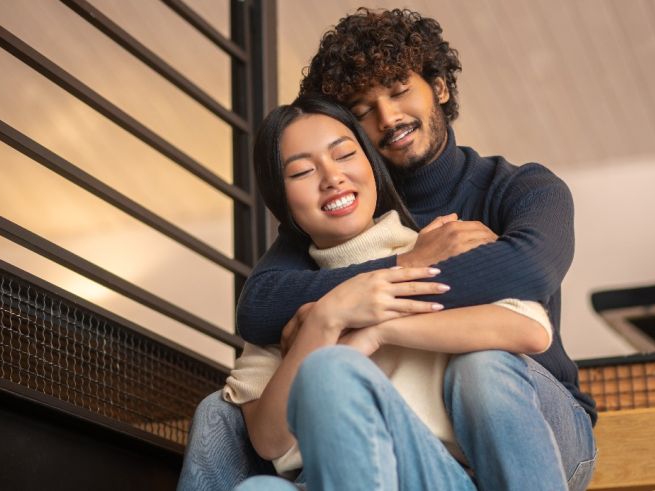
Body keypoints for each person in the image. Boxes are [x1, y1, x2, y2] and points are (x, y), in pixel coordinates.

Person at [178, 7, 596, 491]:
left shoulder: (520, 189)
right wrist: (393, 273)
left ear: (438, 87)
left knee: (479, 366)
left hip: (538, 422)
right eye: (361, 110)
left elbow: (525, 271)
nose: (388, 117)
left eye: (399, 90)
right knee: (221, 417)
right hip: (404, 444)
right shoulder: (334, 219)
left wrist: (371, 315)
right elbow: (258, 308)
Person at [225, 96, 554, 490]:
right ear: (282, 201)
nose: (332, 178)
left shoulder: (438, 246)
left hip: (434, 473)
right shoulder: (289, 301)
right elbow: (267, 440)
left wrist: (377, 329)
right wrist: (327, 319)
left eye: (344, 155)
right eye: (302, 172)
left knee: (331, 370)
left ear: (370, 164)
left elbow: (530, 329)